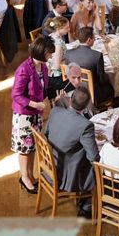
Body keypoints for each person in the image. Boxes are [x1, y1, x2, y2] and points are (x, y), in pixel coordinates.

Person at [44, 87, 100, 218]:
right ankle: (87, 206)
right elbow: (93, 157)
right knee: (97, 168)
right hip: (68, 175)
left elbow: (46, 133)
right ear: (85, 107)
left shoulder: (55, 111)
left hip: (51, 165)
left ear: (70, 100)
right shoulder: (85, 125)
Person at [11, 38, 54, 195]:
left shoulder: (42, 66)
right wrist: (35, 104)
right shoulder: (24, 69)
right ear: (41, 52)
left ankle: (30, 174)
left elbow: (44, 87)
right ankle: (24, 177)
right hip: (24, 115)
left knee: (33, 146)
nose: (51, 56)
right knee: (24, 148)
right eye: (49, 53)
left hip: (36, 113)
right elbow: (16, 95)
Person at [65, 26, 114, 106]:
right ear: (89, 40)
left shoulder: (68, 53)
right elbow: (102, 79)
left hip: (74, 87)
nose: (94, 40)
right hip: (92, 92)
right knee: (110, 87)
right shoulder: (97, 55)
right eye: (94, 38)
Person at [45, 16, 70, 97]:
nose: (69, 29)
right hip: (56, 78)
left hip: (48, 72)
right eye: (66, 28)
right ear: (59, 29)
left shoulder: (51, 36)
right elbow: (56, 66)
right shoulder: (58, 44)